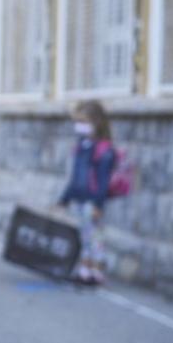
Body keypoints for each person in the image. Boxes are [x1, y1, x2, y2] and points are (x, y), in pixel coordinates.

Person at [58, 100, 115, 286]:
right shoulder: (82, 146)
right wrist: (64, 199)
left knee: (94, 238)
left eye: (84, 122)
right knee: (85, 236)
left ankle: (95, 272)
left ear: (96, 122)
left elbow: (104, 181)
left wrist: (98, 204)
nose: (79, 126)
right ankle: (84, 271)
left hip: (92, 201)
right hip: (80, 200)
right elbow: (75, 177)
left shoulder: (104, 149)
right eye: (78, 122)